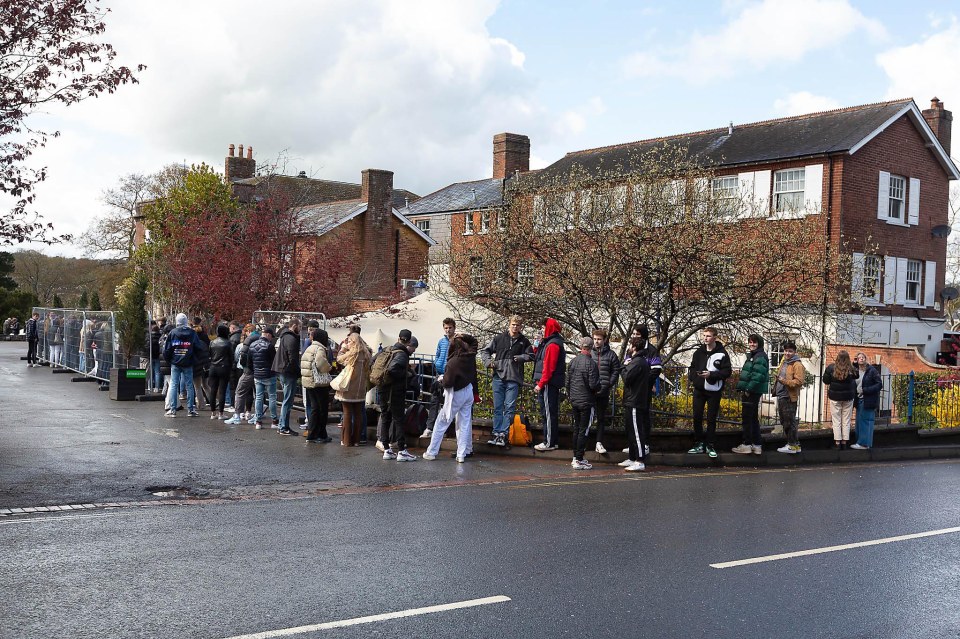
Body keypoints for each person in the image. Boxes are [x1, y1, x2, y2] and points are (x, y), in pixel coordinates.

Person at [424, 334, 479, 462]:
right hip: (468, 391)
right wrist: (463, 336)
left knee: (441, 422)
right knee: (464, 423)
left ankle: (431, 452)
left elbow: (448, 383)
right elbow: (474, 341)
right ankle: (461, 454)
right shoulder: (471, 355)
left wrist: (440, 380)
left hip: (455, 393)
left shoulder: (452, 363)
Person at [480, 315, 533, 447]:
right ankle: (496, 432)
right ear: (509, 324)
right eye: (513, 325)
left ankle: (503, 434)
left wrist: (521, 357)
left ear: (521, 327)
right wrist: (488, 362)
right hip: (498, 376)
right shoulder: (499, 338)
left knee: (509, 408)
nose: (515, 327)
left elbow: (531, 355)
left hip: (514, 378)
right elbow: (485, 351)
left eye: (518, 325)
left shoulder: (524, 341)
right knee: (498, 407)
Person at [686, 327, 732, 459]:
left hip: (714, 390)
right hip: (699, 389)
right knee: (697, 416)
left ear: (715, 337)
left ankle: (710, 445)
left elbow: (727, 371)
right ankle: (699, 443)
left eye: (708, 336)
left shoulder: (722, 353)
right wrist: (695, 379)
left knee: (711, 418)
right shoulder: (698, 352)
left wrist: (711, 375)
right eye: (704, 336)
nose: (705, 338)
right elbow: (692, 368)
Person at [377, 329, 418, 461]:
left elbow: (373, 362)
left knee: (385, 417)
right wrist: (405, 374)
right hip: (395, 391)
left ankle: (387, 450)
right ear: (409, 340)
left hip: (382, 389)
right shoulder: (402, 354)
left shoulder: (387, 349)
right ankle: (401, 450)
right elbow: (393, 370)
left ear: (398, 338)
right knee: (398, 419)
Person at [163, 313, 207, 417]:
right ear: (186, 321)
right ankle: (190, 409)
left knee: (173, 385)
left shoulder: (173, 333)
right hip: (188, 362)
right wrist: (194, 359)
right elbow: (198, 348)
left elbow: (167, 349)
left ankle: (172, 409)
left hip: (175, 362)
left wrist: (170, 360)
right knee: (189, 386)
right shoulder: (192, 333)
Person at [566, 336, 600, 469]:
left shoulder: (573, 361)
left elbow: (567, 382)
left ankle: (576, 457)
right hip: (586, 401)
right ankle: (579, 459)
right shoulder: (591, 363)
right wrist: (599, 386)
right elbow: (593, 385)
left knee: (577, 428)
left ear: (581, 346)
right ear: (591, 348)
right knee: (583, 430)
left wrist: (571, 396)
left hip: (575, 399)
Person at [732, 334, 769, 455]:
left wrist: (748, 388)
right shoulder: (756, 355)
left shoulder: (759, 356)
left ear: (760, 344)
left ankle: (747, 444)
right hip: (754, 391)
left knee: (747, 419)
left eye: (754, 342)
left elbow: (757, 375)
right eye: (750, 342)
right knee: (753, 419)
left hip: (752, 392)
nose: (751, 344)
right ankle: (757, 445)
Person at [533, 318, 566, 452]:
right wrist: (537, 345)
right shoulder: (551, 342)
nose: (541, 330)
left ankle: (549, 442)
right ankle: (553, 441)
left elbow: (548, 367)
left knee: (548, 413)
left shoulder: (552, 345)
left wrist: (541, 384)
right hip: (550, 383)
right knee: (550, 412)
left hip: (548, 384)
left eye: (543, 327)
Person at [421, 317, 456, 440]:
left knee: (448, 403)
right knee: (434, 400)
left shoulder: (457, 341)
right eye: (446, 328)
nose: (448, 330)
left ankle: (446, 430)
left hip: (450, 375)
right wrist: (437, 364)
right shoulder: (441, 341)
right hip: (439, 374)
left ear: (454, 328)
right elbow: (438, 354)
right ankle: (430, 428)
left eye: (450, 327)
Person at [334, 332, 372, 447]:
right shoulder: (366, 354)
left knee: (347, 413)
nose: (348, 343)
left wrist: (343, 348)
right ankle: (356, 440)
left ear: (354, 342)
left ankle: (346, 440)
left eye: (349, 341)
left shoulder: (352, 354)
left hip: (349, 387)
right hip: (360, 388)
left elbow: (339, 359)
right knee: (358, 414)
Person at [620, 336, 651, 472]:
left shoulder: (637, 362)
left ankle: (639, 460)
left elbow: (627, 378)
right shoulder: (639, 361)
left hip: (635, 400)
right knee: (631, 431)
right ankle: (632, 458)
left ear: (633, 347)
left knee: (637, 432)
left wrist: (623, 368)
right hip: (633, 399)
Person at [590, 328, 621, 455]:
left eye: (599, 339)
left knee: (601, 418)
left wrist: (608, 384)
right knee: (586, 417)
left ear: (604, 340)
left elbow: (616, 370)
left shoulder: (611, 354)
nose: (596, 342)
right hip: (589, 391)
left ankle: (599, 442)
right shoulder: (589, 353)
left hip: (603, 390)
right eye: (595, 339)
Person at [774, 341, 807, 454]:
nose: (787, 353)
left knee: (788, 421)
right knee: (786, 421)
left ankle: (792, 445)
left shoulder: (797, 364)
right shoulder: (785, 361)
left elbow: (799, 381)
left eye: (790, 351)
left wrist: (784, 381)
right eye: (786, 351)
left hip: (788, 396)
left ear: (795, 352)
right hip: (781, 394)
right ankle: (795, 445)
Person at [301, 327, 333, 443]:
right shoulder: (320, 349)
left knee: (314, 409)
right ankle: (321, 434)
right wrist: (329, 367)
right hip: (319, 383)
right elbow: (321, 363)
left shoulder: (309, 348)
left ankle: (312, 434)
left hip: (309, 382)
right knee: (322, 410)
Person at [271, 319, 302, 435]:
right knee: (288, 400)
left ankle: (283, 426)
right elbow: (292, 358)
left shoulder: (284, 336)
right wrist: (297, 372)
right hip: (288, 372)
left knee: (287, 399)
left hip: (282, 370)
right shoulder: (291, 338)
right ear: (294, 326)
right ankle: (283, 427)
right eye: (299, 326)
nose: (300, 329)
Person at [823, 350, 858, 449]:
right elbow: (857, 376)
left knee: (836, 419)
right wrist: (855, 364)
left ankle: (837, 442)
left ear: (837, 357)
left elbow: (825, 381)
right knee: (846, 420)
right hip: (848, 397)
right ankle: (844, 442)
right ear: (848, 358)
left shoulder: (831, 367)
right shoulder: (851, 368)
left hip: (835, 397)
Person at [225, 324, 258, 425]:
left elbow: (241, 356)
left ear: (248, 332)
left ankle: (237, 416)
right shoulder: (261, 339)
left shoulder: (247, 341)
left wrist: (244, 366)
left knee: (239, 392)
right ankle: (256, 416)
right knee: (258, 394)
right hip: (260, 371)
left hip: (248, 370)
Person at [852, 352, 882, 450]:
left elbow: (879, 385)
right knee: (859, 422)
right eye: (859, 357)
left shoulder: (871, 370)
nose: (861, 359)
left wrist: (866, 390)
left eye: (863, 357)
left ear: (866, 359)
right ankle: (860, 442)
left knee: (866, 422)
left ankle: (864, 444)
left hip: (868, 399)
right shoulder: (855, 371)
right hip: (859, 400)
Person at [250, 327, 278, 430]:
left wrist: (254, 370)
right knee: (272, 397)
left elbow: (249, 361)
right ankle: (274, 421)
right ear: (268, 335)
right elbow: (274, 361)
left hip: (257, 375)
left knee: (258, 397)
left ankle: (258, 421)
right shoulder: (270, 346)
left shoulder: (252, 345)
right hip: (269, 375)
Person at [207, 323, 234, 420]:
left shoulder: (212, 342)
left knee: (213, 390)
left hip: (213, 367)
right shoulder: (228, 343)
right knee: (222, 391)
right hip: (224, 368)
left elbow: (209, 354)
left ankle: (213, 413)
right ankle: (221, 413)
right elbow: (231, 357)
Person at [148, 324, 162, 392]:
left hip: (150, 355)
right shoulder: (160, 336)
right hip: (158, 356)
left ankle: (150, 386)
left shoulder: (149, 336)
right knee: (157, 372)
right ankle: (157, 387)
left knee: (151, 371)